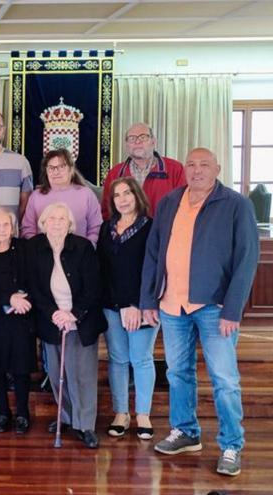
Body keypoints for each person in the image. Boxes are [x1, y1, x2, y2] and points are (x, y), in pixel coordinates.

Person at [140, 148, 259, 477]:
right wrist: (149, 300)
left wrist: (233, 309)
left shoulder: (236, 205)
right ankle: (186, 432)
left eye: (204, 165)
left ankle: (231, 445)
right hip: (171, 305)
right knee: (178, 373)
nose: (197, 170)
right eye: (191, 165)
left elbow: (247, 260)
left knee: (224, 380)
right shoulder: (169, 203)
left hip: (215, 308)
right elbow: (153, 254)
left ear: (217, 168)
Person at [27, 202, 105, 449]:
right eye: (52, 218)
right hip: (52, 320)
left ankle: (86, 425)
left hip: (80, 320)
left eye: (62, 219)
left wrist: (73, 314)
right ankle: (67, 417)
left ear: (70, 224)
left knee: (81, 375)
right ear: (43, 222)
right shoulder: (35, 248)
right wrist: (54, 314)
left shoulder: (82, 247)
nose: (57, 223)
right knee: (57, 374)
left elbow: (93, 287)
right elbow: (35, 288)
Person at [98, 177, 157, 440]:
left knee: (141, 359)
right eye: (117, 195)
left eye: (127, 193)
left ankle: (143, 414)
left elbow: (153, 270)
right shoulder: (106, 228)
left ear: (137, 196)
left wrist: (138, 304)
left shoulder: (151, 227)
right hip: (111, 305)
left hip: (141, 306)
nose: (122, 199)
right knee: (118, 359)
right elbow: (103, 269)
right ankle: (121, 413)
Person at [0, 207, 35, 435]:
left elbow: (34, 278)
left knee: (21, 367)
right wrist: (8, 298)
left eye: (6, 225)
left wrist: (21, 299)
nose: (1, 229)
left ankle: (22, 413)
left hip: (21, 315)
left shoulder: (23, 249)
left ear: (13, 229)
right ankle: (3, 412)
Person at [101, 123, 186, 219]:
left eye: (143, 137)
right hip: (127, 232)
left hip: (164, 232)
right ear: (126, 145)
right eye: (132, 138)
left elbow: (184, 207)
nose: (137, 142)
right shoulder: (115, 173)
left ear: (153, 141)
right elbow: (107, 212)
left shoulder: (175, 169)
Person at [21, 149, 102, 245]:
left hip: (79, 255)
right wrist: (38, 250)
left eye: (61, 167)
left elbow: (96, 228)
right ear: (46, 171)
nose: (56, 172)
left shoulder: (86, 194)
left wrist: (86, 249)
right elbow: (28, 229)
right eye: (51, 167)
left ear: (71, 169)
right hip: (43, 255)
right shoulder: (36, 196)